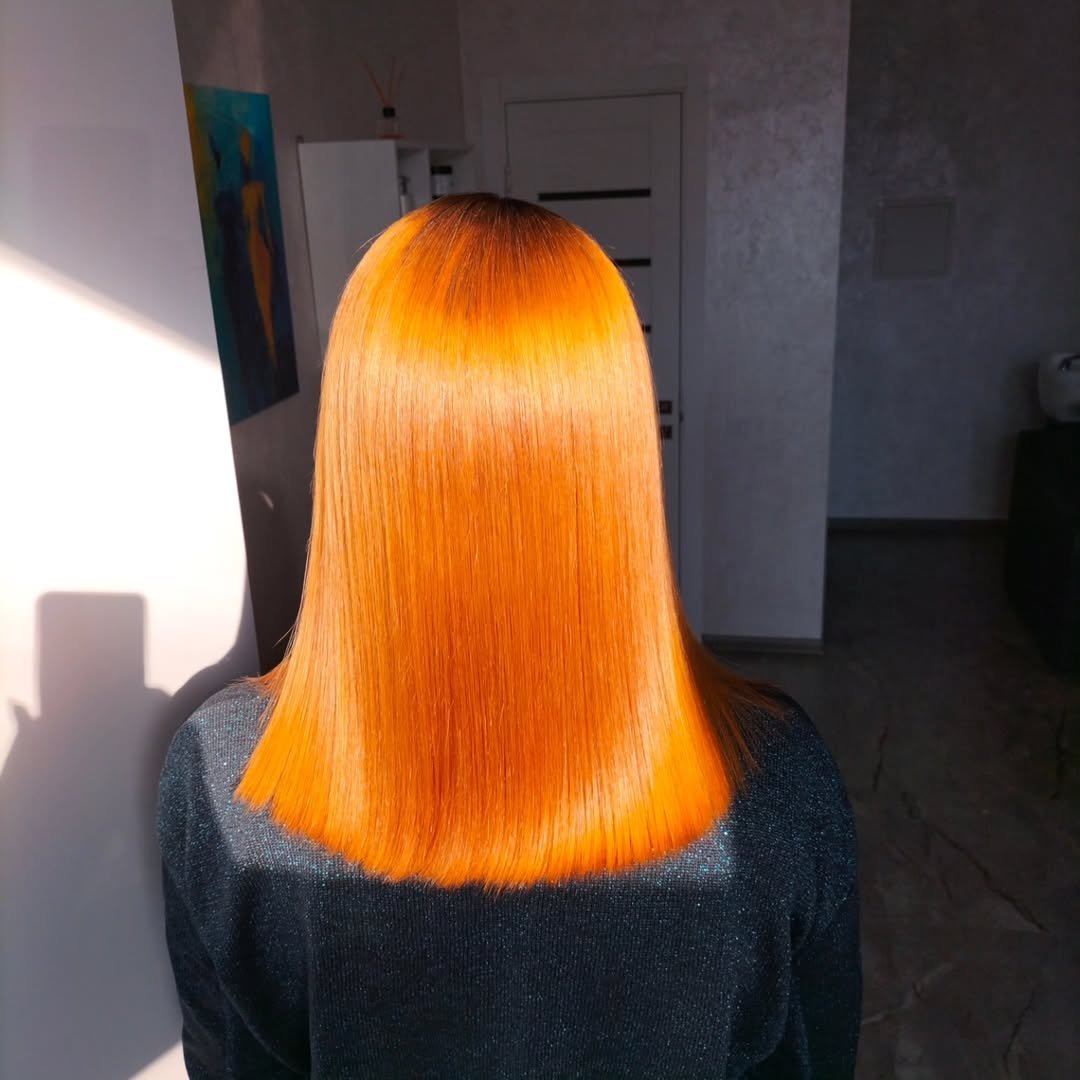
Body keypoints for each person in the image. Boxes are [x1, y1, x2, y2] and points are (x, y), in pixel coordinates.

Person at [158, 194, 861, 1078]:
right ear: (617, 451)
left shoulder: (224, 777)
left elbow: (229, 1064)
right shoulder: (776, 785)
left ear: (354, 443)